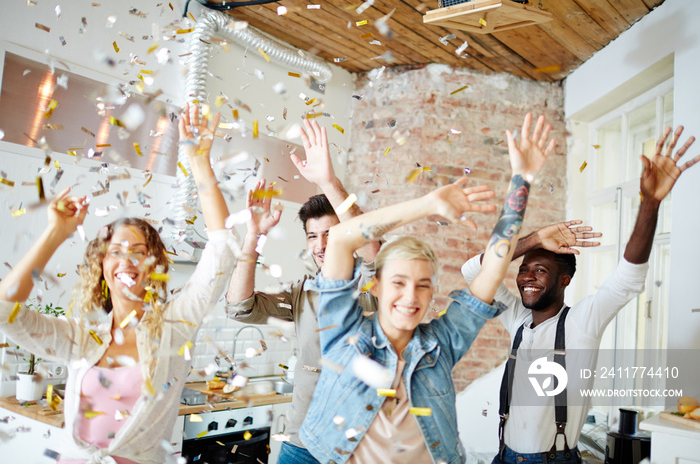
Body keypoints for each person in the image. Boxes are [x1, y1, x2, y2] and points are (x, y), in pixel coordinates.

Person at [299, 113, 555, 464]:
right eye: (399, 283)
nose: (410, 296)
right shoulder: (341, 331)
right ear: (375, 286)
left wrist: (522, 180)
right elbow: (343, 238)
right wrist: (429, 205)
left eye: (422, 285)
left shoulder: (442, 343)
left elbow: (493, 270)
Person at [0, 104, 237, 464]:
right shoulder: (82, 337)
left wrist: (200, 163)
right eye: (116, 252)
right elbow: (6, 312)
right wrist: (55, 233)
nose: (127, 260)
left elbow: (221, 252)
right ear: (102, 265)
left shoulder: (175, 327)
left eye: (139, 251)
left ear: (154, 265)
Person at [460, 126, 698, 463]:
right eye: (524, 269)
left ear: (565, 280)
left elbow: (628, 277)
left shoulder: (583, 322)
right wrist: (534, 240)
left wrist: (650, 202)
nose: (527, 277)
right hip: (504, 456)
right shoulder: (516, 318)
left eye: (540, 270)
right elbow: (473, 271)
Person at [224, 119, 381, 463]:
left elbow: (375, 252)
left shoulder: (375, 284)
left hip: (357, 447)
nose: (322, 245)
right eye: (313, 236)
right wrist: (253, 237)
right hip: (302, 444)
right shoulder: (303, 292)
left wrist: (329, 182)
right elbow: (239, 307)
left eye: (331, 234)